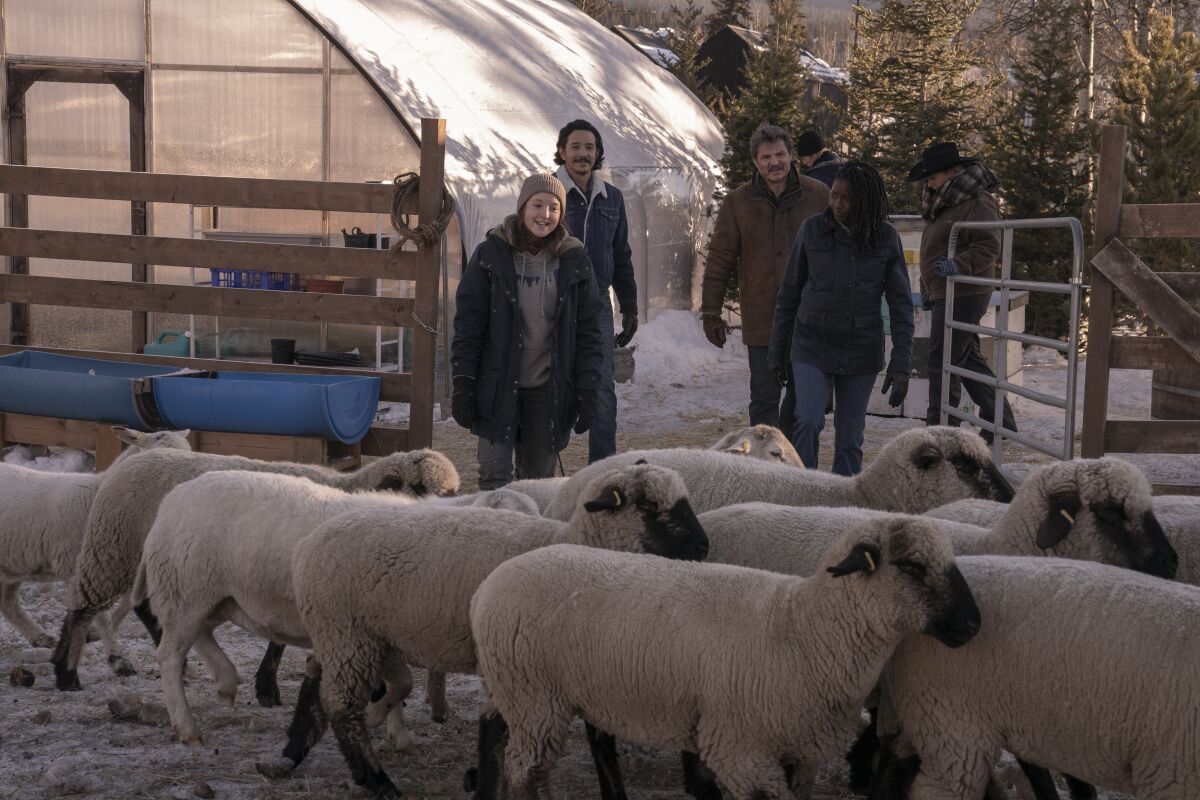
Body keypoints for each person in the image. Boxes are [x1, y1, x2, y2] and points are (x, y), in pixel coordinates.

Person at [451, 173, 606, 489]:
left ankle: (530, 538)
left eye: (553, 207)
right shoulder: (490, 254)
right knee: (494, 478)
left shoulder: (574, 259)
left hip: (548, 390)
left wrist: (589, 387)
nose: (545, 215)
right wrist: (463, 381)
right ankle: (496, 537)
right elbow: (469, 323)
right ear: (523, 207)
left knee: (537, 484)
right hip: (496, 384)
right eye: (538, 205)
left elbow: (590, 330)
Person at [768, 161, 914, 475]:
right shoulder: (812, 229)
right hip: (811, 342)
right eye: (833, 195)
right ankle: (803, 490)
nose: (836, 204)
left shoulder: (885, 238)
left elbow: (901, 305)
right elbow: (789, 294)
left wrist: (902, 363)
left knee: (850, 436)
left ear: (865, 201)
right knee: (807, 420)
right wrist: (777, 349)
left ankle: (843, 501)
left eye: (845, 199)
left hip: (860, 347)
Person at [701, 122, 830, 440]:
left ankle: (795, 467)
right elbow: (720, 260)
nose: (775, 162)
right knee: (763, 398)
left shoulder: (818, 196)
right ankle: (764, 469)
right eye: (766, 156)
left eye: (781, 154)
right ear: (755, 162)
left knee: (803, 402)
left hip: (809, 318)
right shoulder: (738, 203)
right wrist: (710, 312)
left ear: (792, 156)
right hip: (762, 319)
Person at [910, 141, 1017, 441]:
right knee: (965, 356)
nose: (928, 184)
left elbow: (988, 245)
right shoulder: (944, 202)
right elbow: (932, 250)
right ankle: (1001, 420)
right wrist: (929, 287)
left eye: (932, 177)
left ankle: (940, 432)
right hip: (947, 290)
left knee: (943, 360)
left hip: (965, 290)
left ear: (952, 172)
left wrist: (959, 265)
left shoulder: (976, 200)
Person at [554, 119, 638, 464]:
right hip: (553, 301)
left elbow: (621, 254)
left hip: (597, 303)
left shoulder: (611, 198)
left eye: (590, 148)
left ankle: (603, 469)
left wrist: (630, 306)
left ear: (598, 153)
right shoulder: (547, 192)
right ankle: (540, 463)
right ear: (562, 151)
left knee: (603, 385)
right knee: (552, 380)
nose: (583, 154)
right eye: (575, 147)